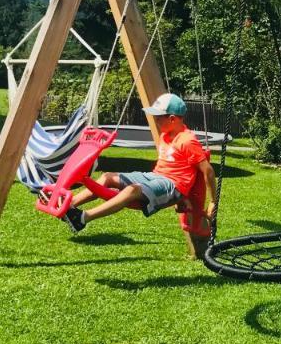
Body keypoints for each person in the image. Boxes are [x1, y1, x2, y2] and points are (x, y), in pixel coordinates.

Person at [63, 93, 217, 258]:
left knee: (133, 190)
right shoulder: (166, 135)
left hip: (173, 185)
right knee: (108, 177)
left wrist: (213, 201)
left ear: (172, 119)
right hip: (155, 176)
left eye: (158, 117)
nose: (155, 121)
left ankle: (83, 218)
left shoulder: (187, 141)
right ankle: (68, 206)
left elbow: (207, 171)